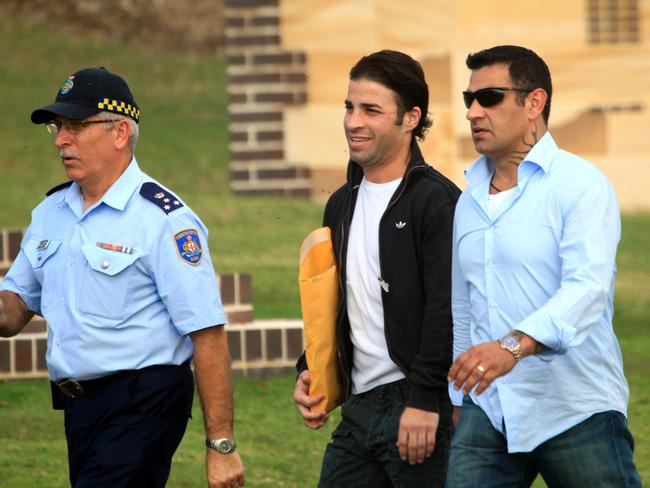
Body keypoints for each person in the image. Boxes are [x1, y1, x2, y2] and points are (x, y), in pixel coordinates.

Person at [0, 67, 245, 488]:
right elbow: (12, 312)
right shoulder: (50, 213)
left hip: (143, 400)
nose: (60, 140)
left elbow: (207, 332)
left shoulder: (163, 219)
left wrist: (220, 444)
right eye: (58, 127)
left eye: (76, 126)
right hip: (77, 406)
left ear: (120, 133)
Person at [447, 45, 642, 487]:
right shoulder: (468, 199)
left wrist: (511, 347)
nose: (474, 112)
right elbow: (465, 305)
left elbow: (586, 290)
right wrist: (458, 396)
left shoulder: (581, 186)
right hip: (488, 408)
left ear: (534, 102)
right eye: (469, 100)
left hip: (573, 408)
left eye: (490, 97)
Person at [293, 50, 460, 487]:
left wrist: (426, 400)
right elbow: (338, 303)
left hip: (419, 405)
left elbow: (446, 309)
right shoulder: (340, 202)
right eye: (349, 107)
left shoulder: (435, 201)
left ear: (410, 118)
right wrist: (310, 368)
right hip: (359, 407)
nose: (353, 121)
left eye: (371, 110)